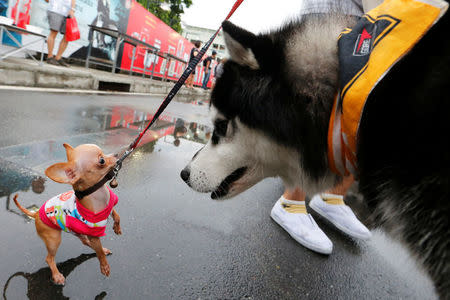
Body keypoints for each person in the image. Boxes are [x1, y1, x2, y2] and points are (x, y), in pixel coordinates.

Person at [270, 0, 372, 255]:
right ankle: (291, 204)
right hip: (333, 13)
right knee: (322, 111)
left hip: (367, 18)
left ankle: (332, 196)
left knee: (357, 110)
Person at [45, 0, 76, 67]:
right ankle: (50, 57)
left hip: (67, 12)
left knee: (67, 36)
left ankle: (58, 57)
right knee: (54, 32)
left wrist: (72, 9)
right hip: (55, 10)